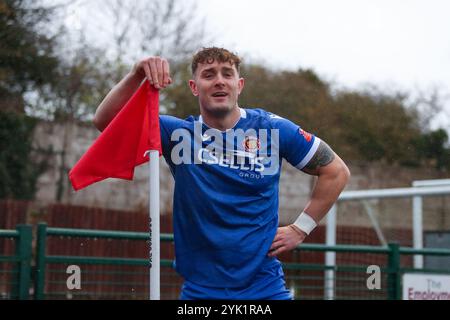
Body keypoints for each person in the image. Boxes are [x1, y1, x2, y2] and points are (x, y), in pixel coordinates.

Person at [93, 47, 350, 300]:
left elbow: (335, 171)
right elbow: (105, 122)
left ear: (239, 85)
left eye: (227, 74)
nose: (219, 81)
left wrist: (300, 228)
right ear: (194, 87)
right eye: (209, 74)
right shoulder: (177, 134)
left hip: (265, 287)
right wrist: (136, 74)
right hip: (201, 291)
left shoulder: (273, 129)